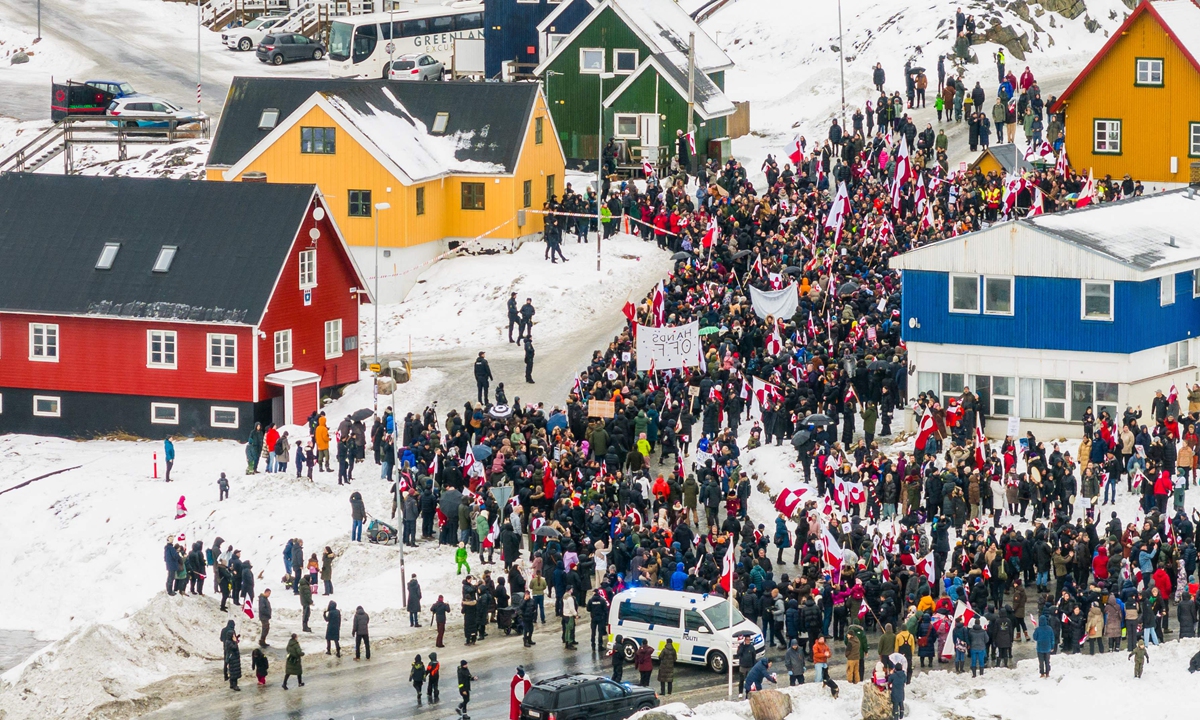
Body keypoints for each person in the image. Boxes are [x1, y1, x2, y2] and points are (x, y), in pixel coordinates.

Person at [223, 621, 242, 691]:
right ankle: (234, 685)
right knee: (234, 672)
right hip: (233, 658)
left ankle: (231, 683)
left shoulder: (228, 640)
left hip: (232, 657)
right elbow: (234, 647)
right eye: (233, 635)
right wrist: (235, 641)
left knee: (232, 670)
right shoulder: (229, 642)